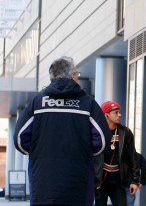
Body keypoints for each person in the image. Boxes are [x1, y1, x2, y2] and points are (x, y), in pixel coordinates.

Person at [14, 56, 111, 205]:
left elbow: (20, 139)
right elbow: (102, 140)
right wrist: (83, 150)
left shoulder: (37, 103)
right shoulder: (87, 103)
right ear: (72, 76)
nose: (78, 77)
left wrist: (39, 151)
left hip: (43, 183)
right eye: (77, 74)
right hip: (78, 182)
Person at [96, 100, 140, 206]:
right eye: (116, 112)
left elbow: (132, 157)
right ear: (106, 115)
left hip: (118, 179)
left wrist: (135, 181)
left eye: (119, 112)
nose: (119, 115)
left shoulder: (125, 132)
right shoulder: (97, 131)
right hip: (101, 179)